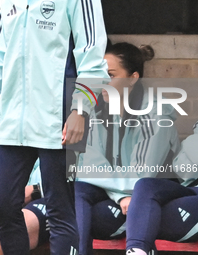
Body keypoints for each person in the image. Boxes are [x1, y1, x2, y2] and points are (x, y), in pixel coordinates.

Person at [0, 1, 109, 254]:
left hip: (60, 118)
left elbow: (92, 55)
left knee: (60, 209)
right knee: (2, 206)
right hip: (12, 121)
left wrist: (80, 110)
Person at [74, 42, 181, 255]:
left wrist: (120, 193)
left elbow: (142, 175)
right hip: (121, 191)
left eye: (111, 75)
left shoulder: (155, 115)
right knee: (78, 189)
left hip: (164, 190)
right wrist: (120, 196)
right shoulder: (96, 113)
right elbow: (89, 166)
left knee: (144, 188)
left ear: (132, 79)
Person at [125, 103, 198, 255]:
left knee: (145, 216)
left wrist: (193, 143)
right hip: (194, 185)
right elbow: (181, 165)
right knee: (146, 186)